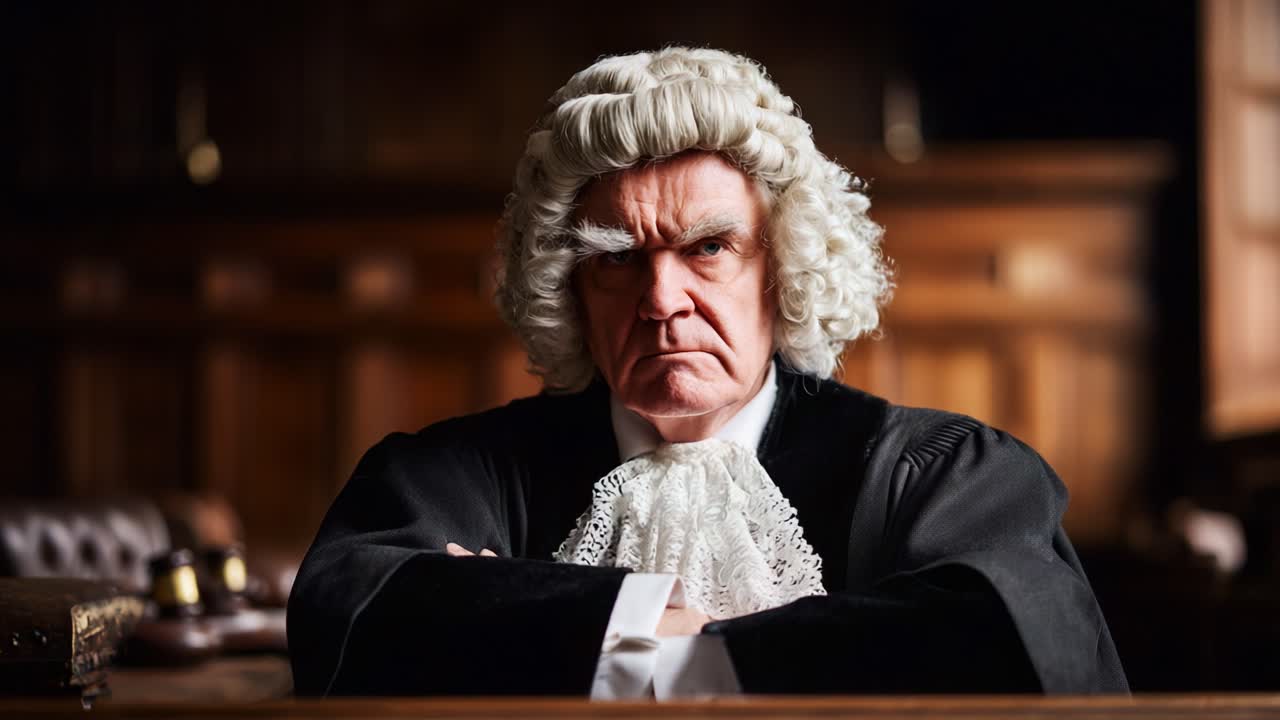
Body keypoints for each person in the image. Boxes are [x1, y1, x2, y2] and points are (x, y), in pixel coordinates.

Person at [287, 47, 1127, 697]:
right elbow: (350, 613)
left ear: (781, 267)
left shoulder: (943, 474)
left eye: (710, 248)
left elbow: (1016, 635)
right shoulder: (454, 473)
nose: (661, 299)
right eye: (617, 258)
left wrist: (649, 648)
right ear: (571, 289)